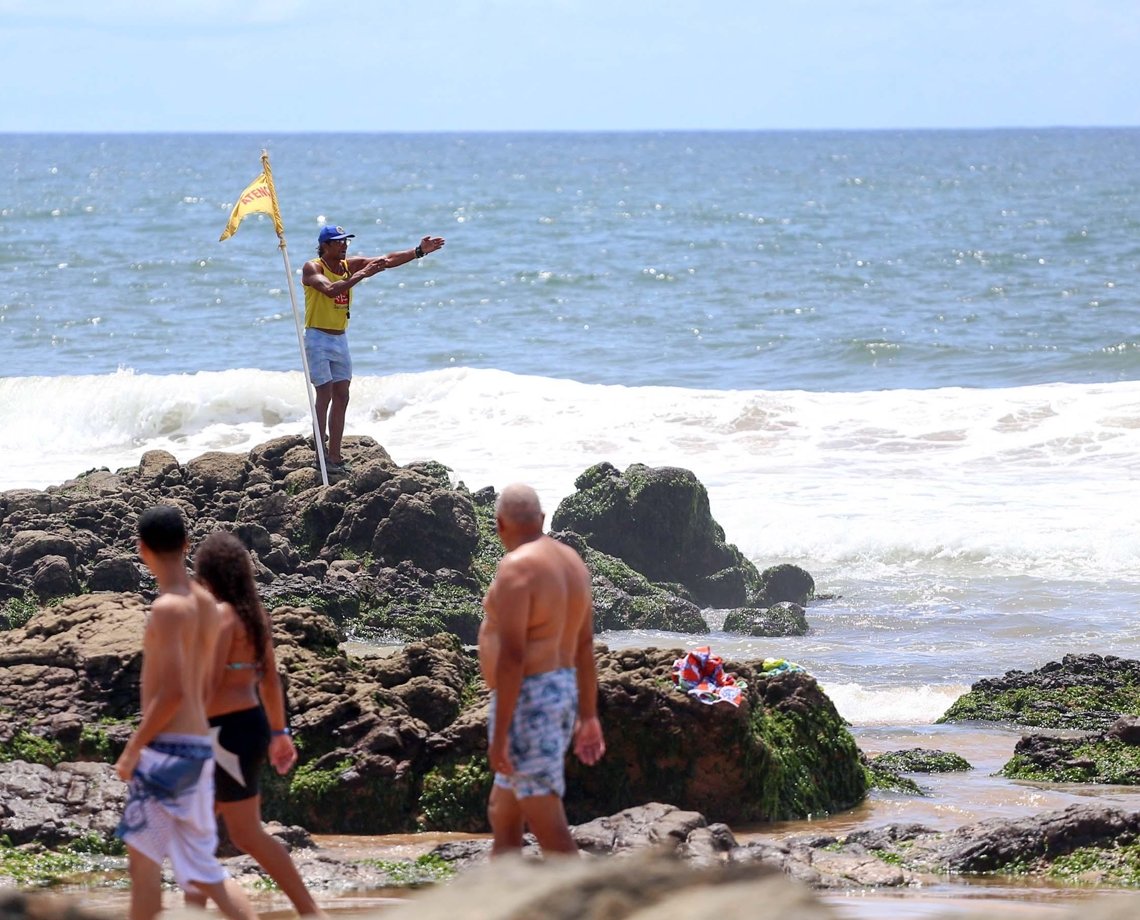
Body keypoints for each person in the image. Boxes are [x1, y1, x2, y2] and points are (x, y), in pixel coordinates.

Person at [114, 505, 258, 920]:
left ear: (142, 550)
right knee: (204, 870)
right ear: (186, 545)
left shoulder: (169, 609)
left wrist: (132, 749)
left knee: (143, 864)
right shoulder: (207, 605)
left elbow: (173, 691)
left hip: (167, 754)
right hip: (199, 748)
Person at [186, 530, 326, 919]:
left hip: (221, 735)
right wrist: (280, 734)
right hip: (250, 726)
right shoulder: (255, 617)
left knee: (243, 833)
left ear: (208, 577)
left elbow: (208, 681)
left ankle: (312, 912)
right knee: (202, 832)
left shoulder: (220, 617)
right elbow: (270, 679)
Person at [477, 483, 606, 856]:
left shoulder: (517, 568)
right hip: (560, 690)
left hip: (528, 698)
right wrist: (587, 714)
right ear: (542, 519)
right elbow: (584, 647)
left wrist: (499, 734)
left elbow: (514, 655)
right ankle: (507, 901)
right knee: (503, 812)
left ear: (500, 524)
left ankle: (589, 907)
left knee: (545, 818)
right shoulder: (573, 564)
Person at [301, 224, 445, 474]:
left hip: (339, 337)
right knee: (323, 393)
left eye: (346, 242)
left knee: (342, 394)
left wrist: (419, 251)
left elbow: (386, 260)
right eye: (338, 242)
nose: (344, 246)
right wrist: (362, 275)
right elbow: (330, 290)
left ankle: (335, 456)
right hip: (317, 337)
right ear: (325, 245)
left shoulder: (348, 265)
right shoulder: (313, 267)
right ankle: (320, 453)